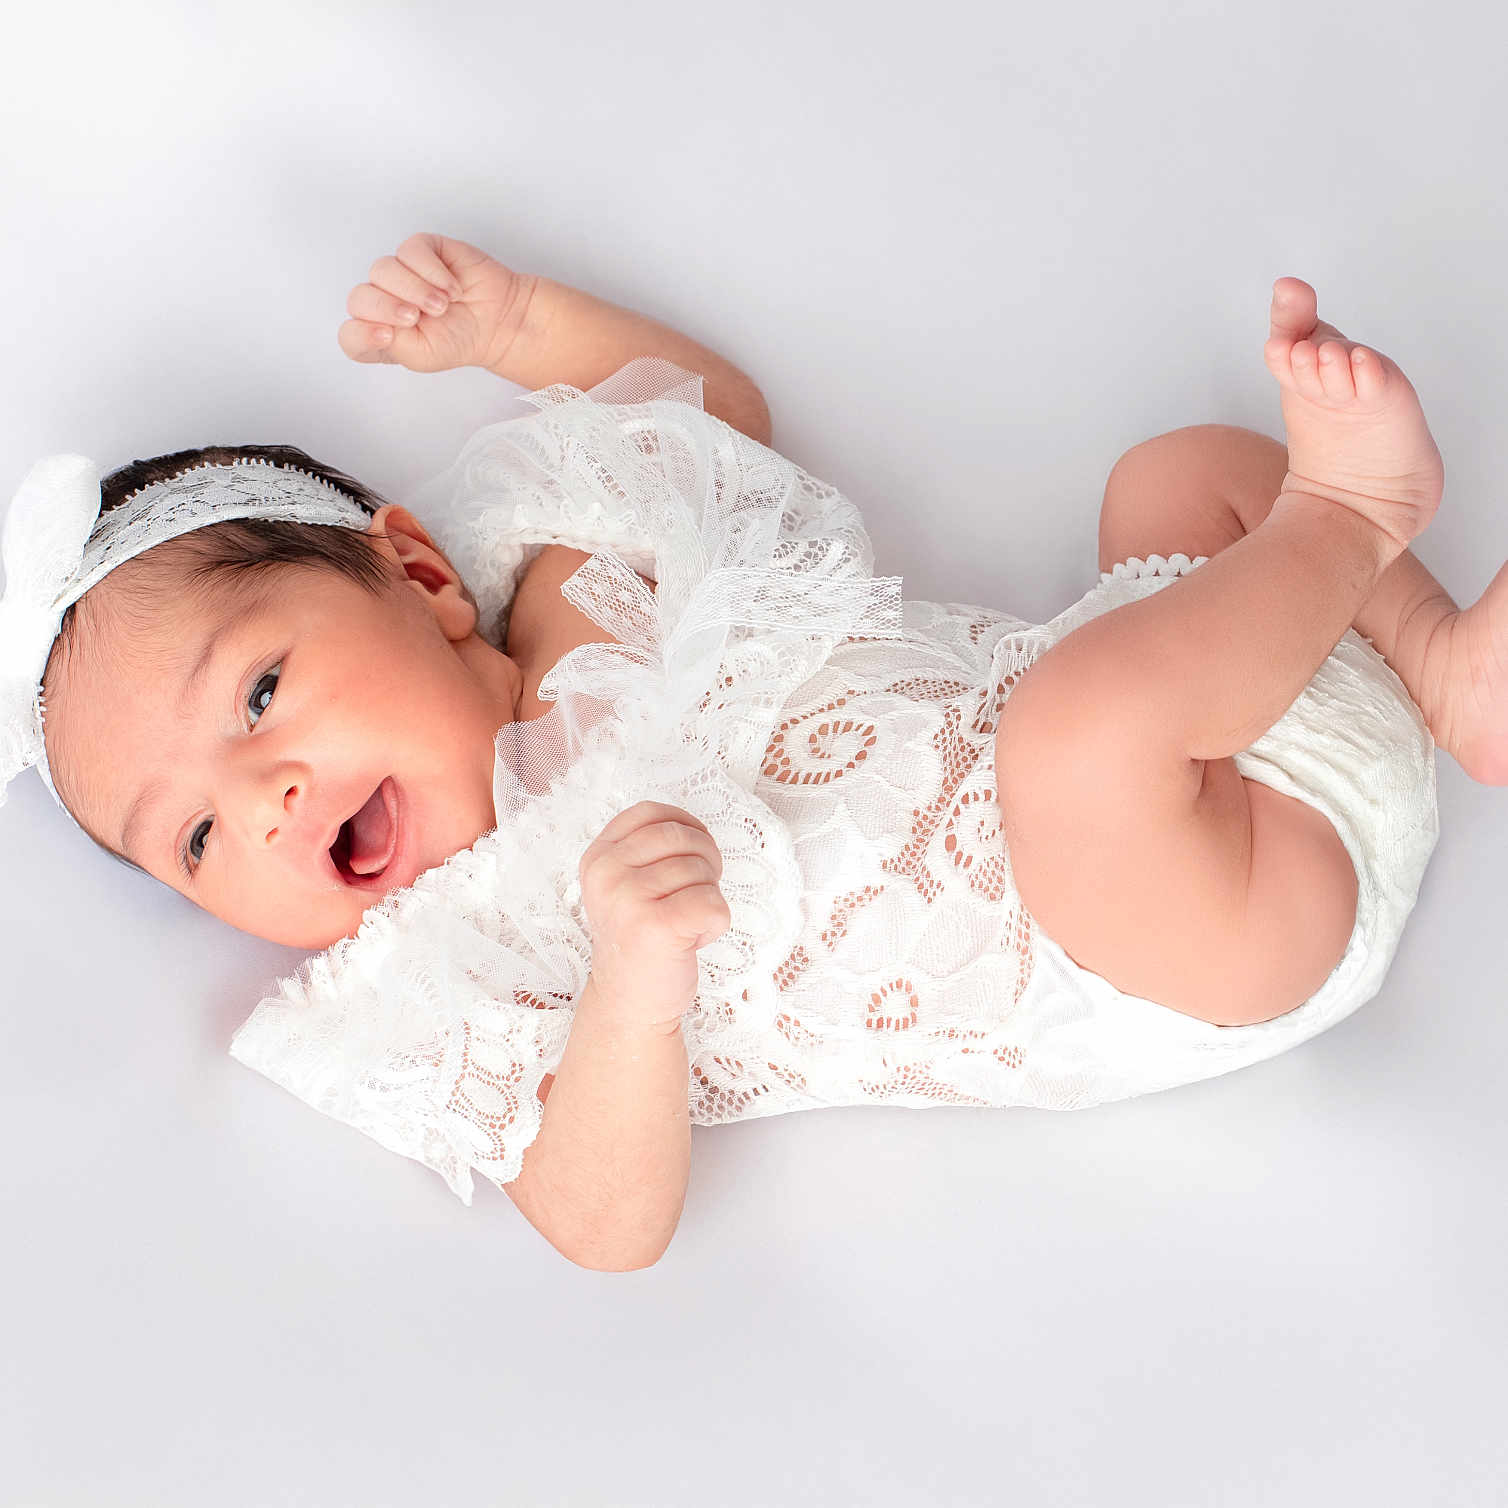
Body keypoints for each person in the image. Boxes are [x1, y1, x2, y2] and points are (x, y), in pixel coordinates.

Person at [1, 234, 1492, 1270]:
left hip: (1233, 701)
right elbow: (598, 1224)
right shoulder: (472, 962)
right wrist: (635, 994)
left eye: (258, 692)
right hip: (1202, 938)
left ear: (426, 575)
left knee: (1172, 478)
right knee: (1077, 738)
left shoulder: (577, 564)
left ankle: (1440, 669)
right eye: (189, 841)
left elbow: (710, 414)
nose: (257, 806)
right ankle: (1352, 520)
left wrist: (518, 328)